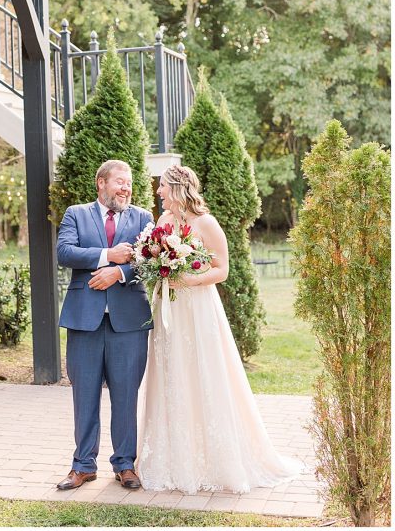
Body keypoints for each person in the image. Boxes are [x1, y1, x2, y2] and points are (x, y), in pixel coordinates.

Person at [137, 165, 302, 493]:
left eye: (163, 187)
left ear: (179, 188)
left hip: (198, 308)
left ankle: (217, 460)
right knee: (172, 374)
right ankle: (173, 460)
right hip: (170, 307)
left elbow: (222, 269)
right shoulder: (163, 223)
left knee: (205, 373)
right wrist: (161, 269)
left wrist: (189, 278)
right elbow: (154, 259)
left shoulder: (206, 223)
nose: (158, 192)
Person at [55, 159, 154, 491]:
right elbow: (65, 252)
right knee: (84, 395)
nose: (126, 187)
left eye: (129, 183)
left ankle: (125, 464)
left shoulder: (144, 218)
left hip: (129, 321)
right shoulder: (76, 214)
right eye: (119, 182)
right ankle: (83, 465)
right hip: (84, 320)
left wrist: (121, 272)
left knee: (126, 396)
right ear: (101, 183)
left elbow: (153, 260)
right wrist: (107, 257)